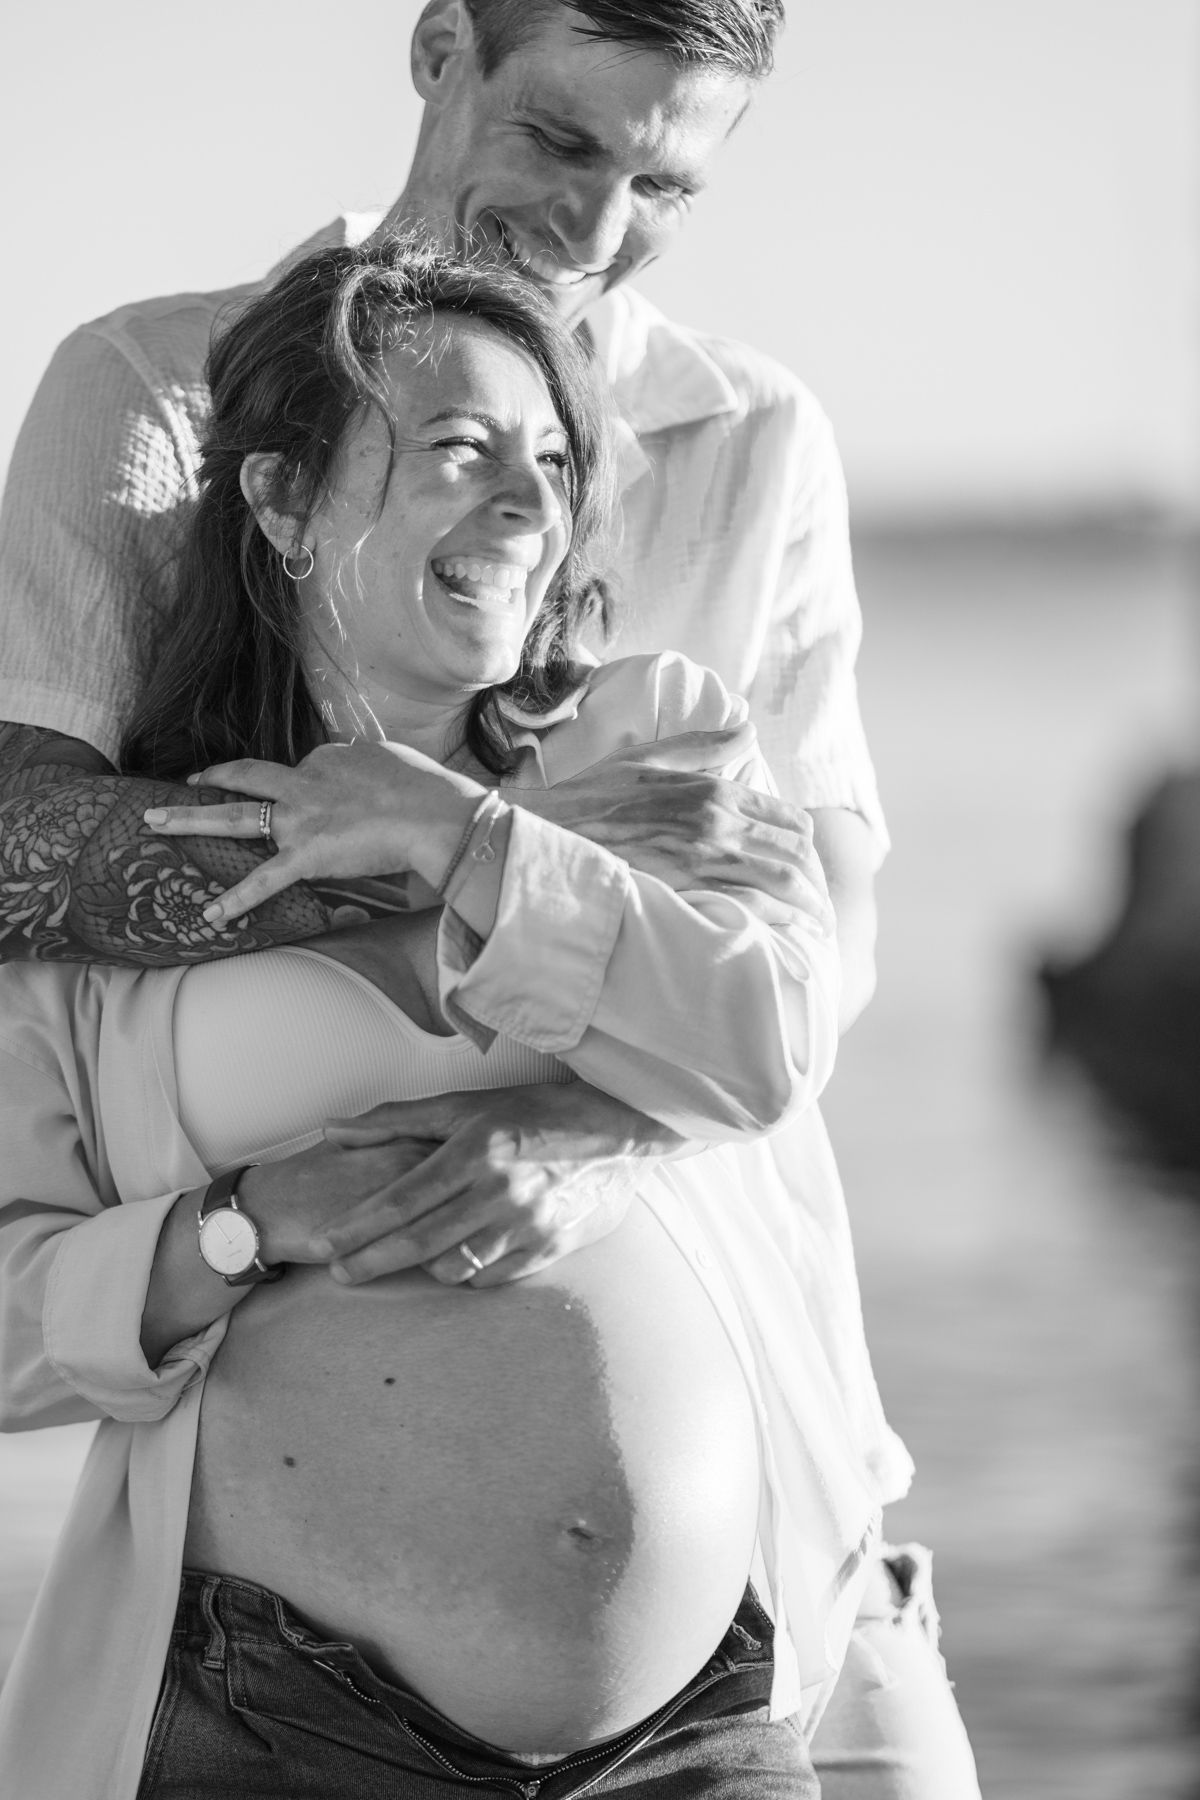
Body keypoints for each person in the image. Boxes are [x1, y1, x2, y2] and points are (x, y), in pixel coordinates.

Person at [0, 4, 980, 1792]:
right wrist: (460, 863)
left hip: (769, 1532)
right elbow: (16, 854)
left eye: (666, 181)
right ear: (441, 48)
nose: (602, 227)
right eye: (563, 141)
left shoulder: (755, 444)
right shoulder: (155, 387)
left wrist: (580, 1093)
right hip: (281, 1682)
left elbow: (803, 987)